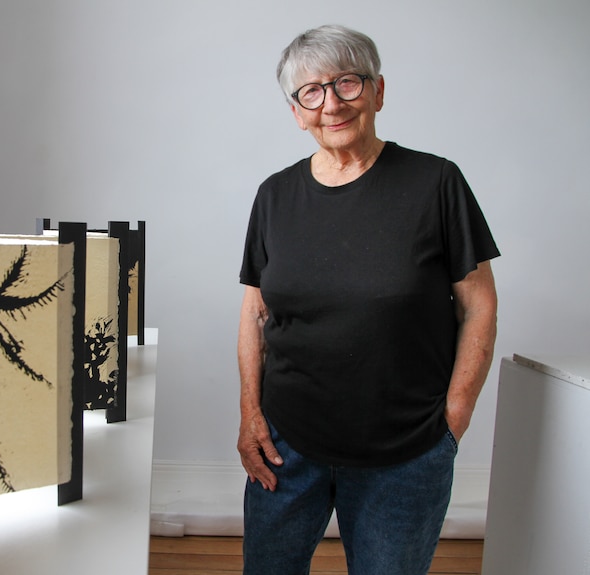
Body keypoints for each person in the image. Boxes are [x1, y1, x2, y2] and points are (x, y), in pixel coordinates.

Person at [237, 24, 499, 575]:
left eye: (346, 83)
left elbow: (478, 304)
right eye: (311, 91)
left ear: (377, 91)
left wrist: (455, 416)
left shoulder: (436, 183)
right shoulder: (275, 195)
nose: (331, 103)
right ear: (296, 111)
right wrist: (251, 415)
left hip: (405, 452)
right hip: (288, 444)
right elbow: (255, 312)